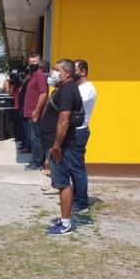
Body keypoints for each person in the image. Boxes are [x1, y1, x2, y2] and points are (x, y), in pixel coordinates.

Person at [40, 59, 84, 236]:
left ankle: (65, 224)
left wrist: (57, 146)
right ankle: (64, 218)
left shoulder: (67, 90)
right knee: (60, 182)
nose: (52, 73)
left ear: (66, 72)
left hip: (61, 146)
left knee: (63, 183)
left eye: (56, 70)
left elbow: (64, 120)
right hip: (55, 143)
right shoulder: (63, 88)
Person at [73, 59, 96, 214]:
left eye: (74, 70)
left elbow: (73, 105)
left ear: (83, 71)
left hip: (79, 130)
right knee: (72, 166)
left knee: (77, 167)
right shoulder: (78, 87)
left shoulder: (87, 89)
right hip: (74, 130)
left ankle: (82, 203)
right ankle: (76, 197)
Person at [22, 53, 48, 170]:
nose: (31, 64)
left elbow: (43, 94)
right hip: (28, 113)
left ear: (40, 63)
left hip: (35, 114)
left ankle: (37, 163)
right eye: (30, 62)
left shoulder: (40, 76)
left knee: (35, 139)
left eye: (34, 62)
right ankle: (35, 160)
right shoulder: (33, 76)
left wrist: (37, 111)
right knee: (32, 138)